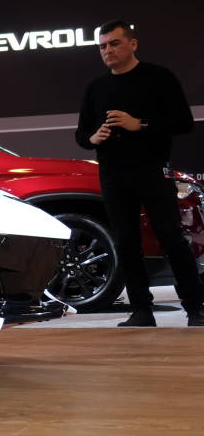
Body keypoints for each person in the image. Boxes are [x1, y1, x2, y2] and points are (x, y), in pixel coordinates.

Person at [74, 19, 204, 327]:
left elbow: (183, 123)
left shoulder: (159, 78)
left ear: (132, 44)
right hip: (113, 173)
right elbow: (82, 135)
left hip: (151, 170)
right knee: (126, 241)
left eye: (114, 43)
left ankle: (195, 308)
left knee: (170, 236)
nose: (108, 50)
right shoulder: (96, 87)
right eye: (102, 46)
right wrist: (94, 138)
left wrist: (140, 124)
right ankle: (141, 310)